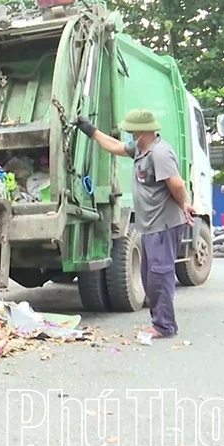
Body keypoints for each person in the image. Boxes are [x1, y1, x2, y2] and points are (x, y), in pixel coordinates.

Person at [73, 108, 196, 339]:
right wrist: (89, 130)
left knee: (160, 277)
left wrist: (184, 204)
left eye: (132, 131)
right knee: (150, 277)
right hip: (149, 226)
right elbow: (113, 145)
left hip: (163, 225)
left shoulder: (160, 153)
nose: (129, 135)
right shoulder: (140, 150)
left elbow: (177, 185)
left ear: (143, 132)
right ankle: (160, 322)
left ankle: (164, 326)